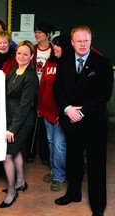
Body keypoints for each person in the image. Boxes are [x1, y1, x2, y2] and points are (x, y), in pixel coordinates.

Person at [53, 26, 113, 216]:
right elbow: (58, 90)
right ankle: (73, 194)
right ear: (71, 42)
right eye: (78, 41)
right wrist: (68, 109)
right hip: (71, 119)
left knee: (96, 164)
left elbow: (105, 94)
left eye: (86, 40)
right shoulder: (63, 61)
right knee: (73, 160)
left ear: (91, 41)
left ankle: (98, 205)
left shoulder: (102, 63)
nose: (82, 44)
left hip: (94, 122)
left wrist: (83, 111)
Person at [0, 40, 39, 208]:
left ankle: (11, 191)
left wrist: (11, 130)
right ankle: (20, 181)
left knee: (7, 155)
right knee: (15, 152)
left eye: (25, 54)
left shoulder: (30, 77)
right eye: (19, 53)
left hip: (21, 122)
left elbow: (24, 106)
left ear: (31, 57)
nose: (21, 56)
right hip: (10, 117)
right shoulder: (15, 70)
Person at [37, 35, 72, 191]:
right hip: (46, 112)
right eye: (54, 45)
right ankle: (54, 170)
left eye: (57, 45)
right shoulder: (49, 63)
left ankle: (59, 176)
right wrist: (40, 107)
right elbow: (43, 86)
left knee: (59, 146)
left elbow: (70, 93)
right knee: (51, 142)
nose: (54, 48)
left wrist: (63, 115)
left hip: (60, 115)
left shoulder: (69, 65)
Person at [25, 22, 55, 164]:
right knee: (31, 121)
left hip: (47, 91)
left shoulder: (54, 50)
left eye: (40, 32)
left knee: (44, 124)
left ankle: (44, 154)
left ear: (48, 35)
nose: (36, 34)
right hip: (32, 90)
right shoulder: (33, 49)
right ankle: (30, 152)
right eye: (35, 32)